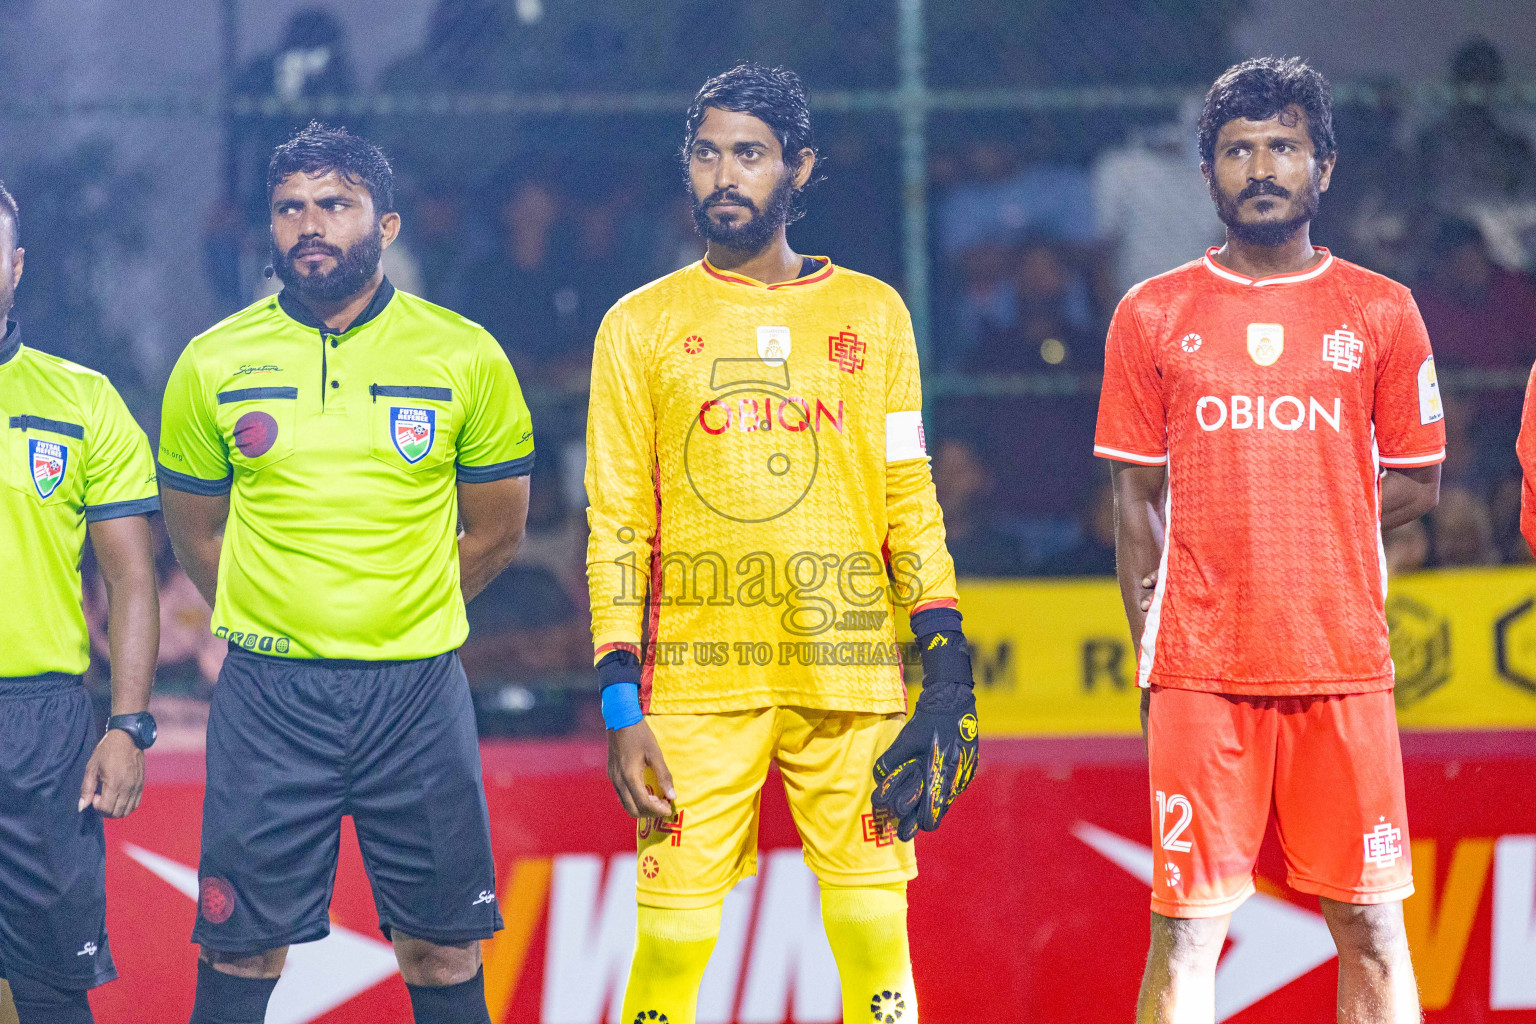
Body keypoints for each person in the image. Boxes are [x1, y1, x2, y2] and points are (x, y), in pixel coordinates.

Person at [586, 65, 978, 1024]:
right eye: (709, 153)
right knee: (671, 945)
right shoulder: (638, 325)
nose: (726, 174)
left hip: (848, 669)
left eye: (750, 154)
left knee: (877, 947)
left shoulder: (874, 314)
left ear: (799, 169)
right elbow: (616, 525)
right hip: (694, 674)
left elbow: (908, 497)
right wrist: (616, 700)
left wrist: (949, 671)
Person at [157, 124, 534, 1024]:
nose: (310, 225)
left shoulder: (465, 355)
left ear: (387, 224)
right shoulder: (212, 362)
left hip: (416, 694)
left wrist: (398, 614)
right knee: (241, 947)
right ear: (272, 229)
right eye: (291, 208)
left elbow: (495, 534)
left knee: (442, 950)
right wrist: (283, 619)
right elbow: (197, 540)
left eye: (335, 204)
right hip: (270, 699)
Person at [1095, 58, 1443, 1024]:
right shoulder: (1152, 313)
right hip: (1201, 671)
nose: (1261, 167)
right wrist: (1149, 660)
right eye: (1238, 150)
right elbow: (1136, 505)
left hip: (1343, 664)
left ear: (1322, 166)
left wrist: (1313, 511)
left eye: (1283, 146)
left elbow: (1418, 482)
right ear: (1208, 175)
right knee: (1187, 932)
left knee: (1372, 929)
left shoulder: (1381, 310)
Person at [0, 180, 160, 1023]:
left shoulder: (82, 400)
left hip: (39, 727)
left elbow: (131, 579)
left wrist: (129, 726)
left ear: (16, 266)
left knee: (53, 993)